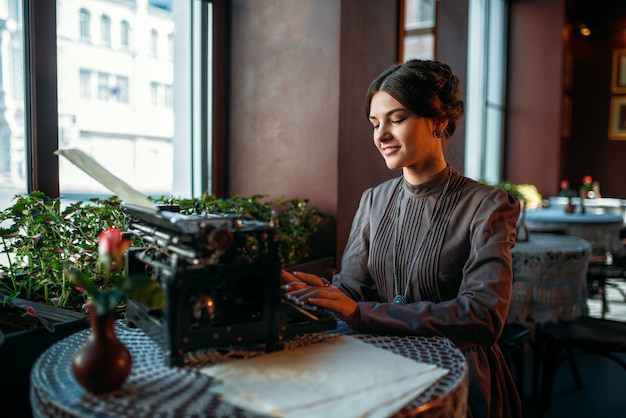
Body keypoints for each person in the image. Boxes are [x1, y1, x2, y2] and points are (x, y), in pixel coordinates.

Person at [282, 59, 522, 418]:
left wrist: (361, 312)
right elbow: (352, 289)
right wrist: (311, 291)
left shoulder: (488, 205)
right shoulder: (373, 200)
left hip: (457, 376)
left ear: (439, 121)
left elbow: (482, 317)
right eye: (375, 124)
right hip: (375, 366)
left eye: (397, 119)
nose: (381, 136)